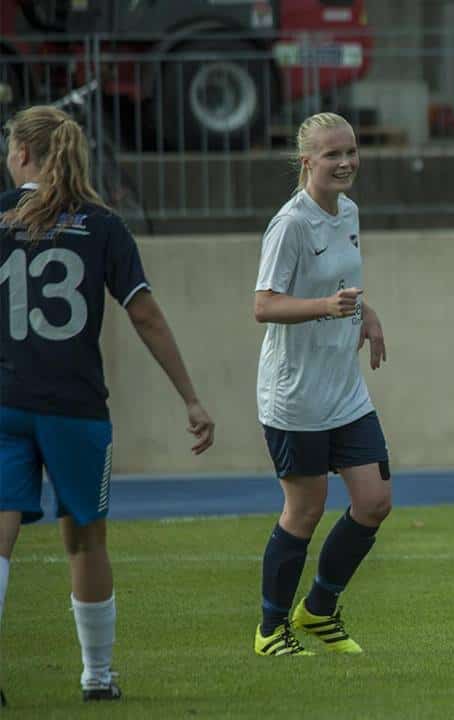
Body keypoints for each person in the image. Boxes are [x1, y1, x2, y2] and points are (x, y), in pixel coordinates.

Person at [0, 106, 215, 704]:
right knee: (85, 540)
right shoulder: (102, 225)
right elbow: (144, 315)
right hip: (75, 407)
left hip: (4, 401)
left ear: (22, 154)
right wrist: (191, 398)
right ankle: (96, 676)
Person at [252, 112, 390, 658]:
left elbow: (344, 285)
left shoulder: (348, 211)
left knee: (374, 501)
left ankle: (319, 609)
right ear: (307, 161)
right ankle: (270, 630)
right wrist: (324, 308)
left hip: (344, 389)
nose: (346, 162)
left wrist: (367, 314)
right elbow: (264, 305)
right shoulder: (290, 224)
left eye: (351, 151)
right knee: (305, 510)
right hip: (296, 394)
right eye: (333, 154)